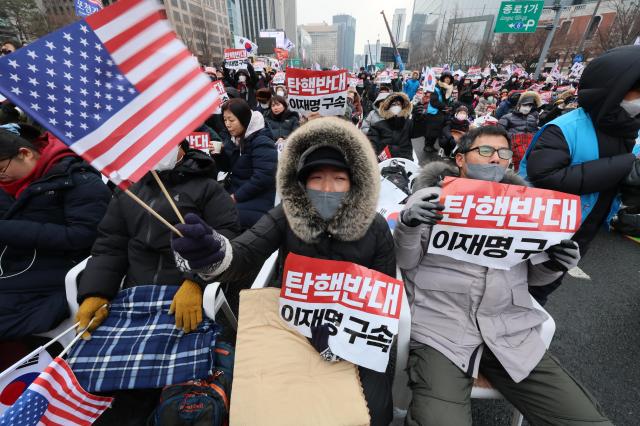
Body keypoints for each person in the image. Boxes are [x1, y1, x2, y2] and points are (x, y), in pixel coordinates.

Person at [171, 117, 395, 426]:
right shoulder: (286, 215)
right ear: (302, 183)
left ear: (355, 182)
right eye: (317, 178)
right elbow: (245, 252)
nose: (327, 188)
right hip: (291, 322)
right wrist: (212, 254)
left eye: (339, 179)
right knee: (269, 406)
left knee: (373, 413)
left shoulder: (377, 229)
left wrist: (346, 340)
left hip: (353, 332)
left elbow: (382, 301)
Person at [394, 126, 612, 426]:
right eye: (485, 151)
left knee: (586, 420)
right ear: (461, 159)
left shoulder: (528, 209)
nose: (495, 159)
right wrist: (409, 222)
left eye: (503, 153)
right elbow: (405, 262)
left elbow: (534, 279)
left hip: (509, 331)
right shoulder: (433, 199)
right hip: (441, 331)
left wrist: (556, 263)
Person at [74, 142, 240, 425]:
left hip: (184, 292)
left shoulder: (208, 188)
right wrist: (95, 292)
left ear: (181, 145)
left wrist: (195, 282)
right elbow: (110, 245)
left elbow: (227, 238)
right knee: (98, 377)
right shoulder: (127, 191)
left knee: (175, 377)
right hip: (134, 296)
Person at [520, 45, 640, 304]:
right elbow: (544, 177)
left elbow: (620, 185)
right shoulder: (565, 128)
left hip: (586, 229)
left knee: (545, 289)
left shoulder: (632, 131)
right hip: (542, 229)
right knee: (520, 289)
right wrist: (625, 165)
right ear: (614, 87)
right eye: (638, 90)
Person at [0, 130, 111, 339]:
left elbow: (85, 235)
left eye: (0, 169)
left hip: (52, 280)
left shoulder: (78, 179)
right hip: (17, 273)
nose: (1, 177)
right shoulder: (11, 186)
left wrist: (7, 230)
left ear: (25, 153)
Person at [214, 98, 277, 229]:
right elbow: (230, 168)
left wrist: (236, 197)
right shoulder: (237, 139)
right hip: (239, 192)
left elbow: (263, 177)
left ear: (244, 119)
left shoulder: (261, 141)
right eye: (225, 120)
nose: (227, 124)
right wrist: (219, 154)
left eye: (231, 120)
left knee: (220, 217)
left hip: (258, 198)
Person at [367, 92, 414, 160]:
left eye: (398, 104)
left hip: (405, 162)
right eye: (393, 104)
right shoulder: (377, 126)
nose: (396, 106)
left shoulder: (409, 123)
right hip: (384, 162)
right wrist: (376, 158)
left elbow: (419, 131)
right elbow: (372, 145)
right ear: (388, 107)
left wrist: (419, 119)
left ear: (403, 107)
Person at [423, 72, 453, 154]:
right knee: (431, 131)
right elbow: (434, 102)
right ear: (442, 79)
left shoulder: (448, 89)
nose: (448, 79)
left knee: (437, 131)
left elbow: (447, 101)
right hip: (433, 113)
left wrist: (449, 106)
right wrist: (445, 107)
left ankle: (431, 145)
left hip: (441, 113)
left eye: (449, 78)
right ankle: (427, 146)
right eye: (446, 78)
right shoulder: (436, 88)